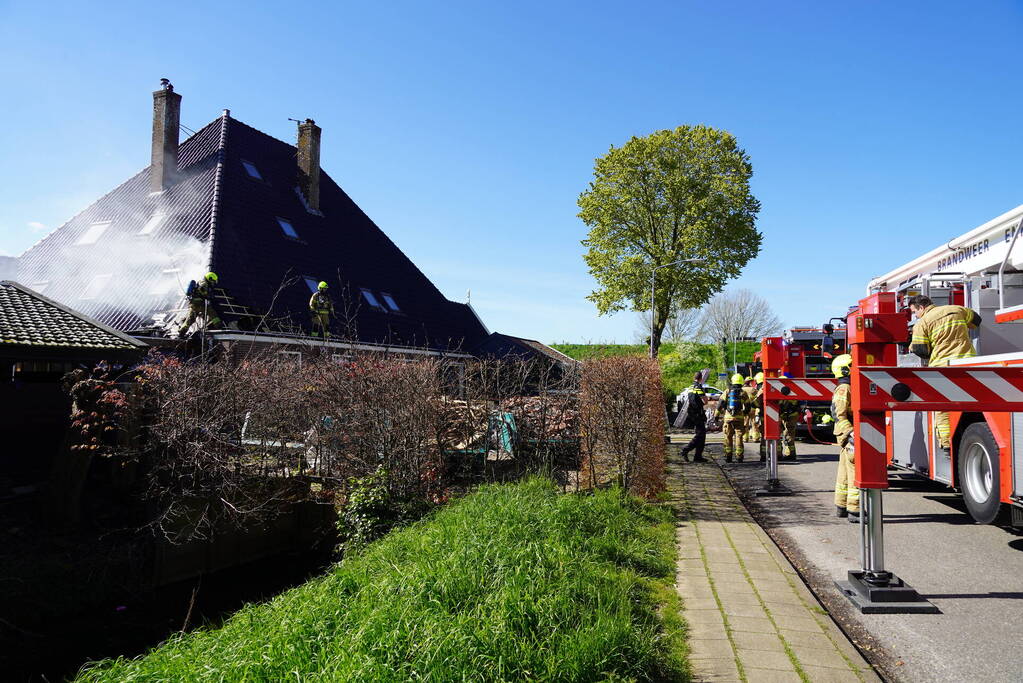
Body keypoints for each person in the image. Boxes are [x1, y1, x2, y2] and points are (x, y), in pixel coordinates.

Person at [908, 294, 981, 450]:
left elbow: (922, 351)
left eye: (915, 312)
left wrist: (913, 346)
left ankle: (947, 443)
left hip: (942, 368)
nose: (915, 315)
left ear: (921, 307)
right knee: (970, 402)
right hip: (967, 363)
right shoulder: (957, 309)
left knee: (942, 406)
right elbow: (977, 321)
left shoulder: (922, 323)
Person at [830, 354, 859, 521]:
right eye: (852, 365)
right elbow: (838, 414)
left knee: (845, 471)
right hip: (850, 435)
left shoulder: (846, 387)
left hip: (847, 435)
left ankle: (841, 505)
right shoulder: (845, 388)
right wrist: (851, 433)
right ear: (845, 369)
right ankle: (855, 509)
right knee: (855, 470)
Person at [177, 272, 222, 337]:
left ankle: (181, 333)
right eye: (213, 281)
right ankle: (219, 327)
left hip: (193, 305)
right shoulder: (204, 283)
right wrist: (208, 296)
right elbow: (203, 291)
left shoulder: (200, 282)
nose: (213, 283)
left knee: (189, 320)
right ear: (209, 279)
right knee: (212, 314)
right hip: (200, 304)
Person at [717, 373, 749, 463]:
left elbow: (720, 404)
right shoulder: (743, 393)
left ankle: (728, 456)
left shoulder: (727, 391)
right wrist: (744, 414)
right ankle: (739, 456)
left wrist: (716, 415)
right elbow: (748, 406)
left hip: (728, 418)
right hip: (739, 418)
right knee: (739, 437)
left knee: (728, 436)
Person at [679, 372, 709, 463]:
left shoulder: (690, 387)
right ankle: (685, 450)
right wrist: (705, 401)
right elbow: (705, 401)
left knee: (702, 435)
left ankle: (698, 456)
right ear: (701, 378)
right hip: (697, 413)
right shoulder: (699, 387)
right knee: (700, 434)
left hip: (691, 412)